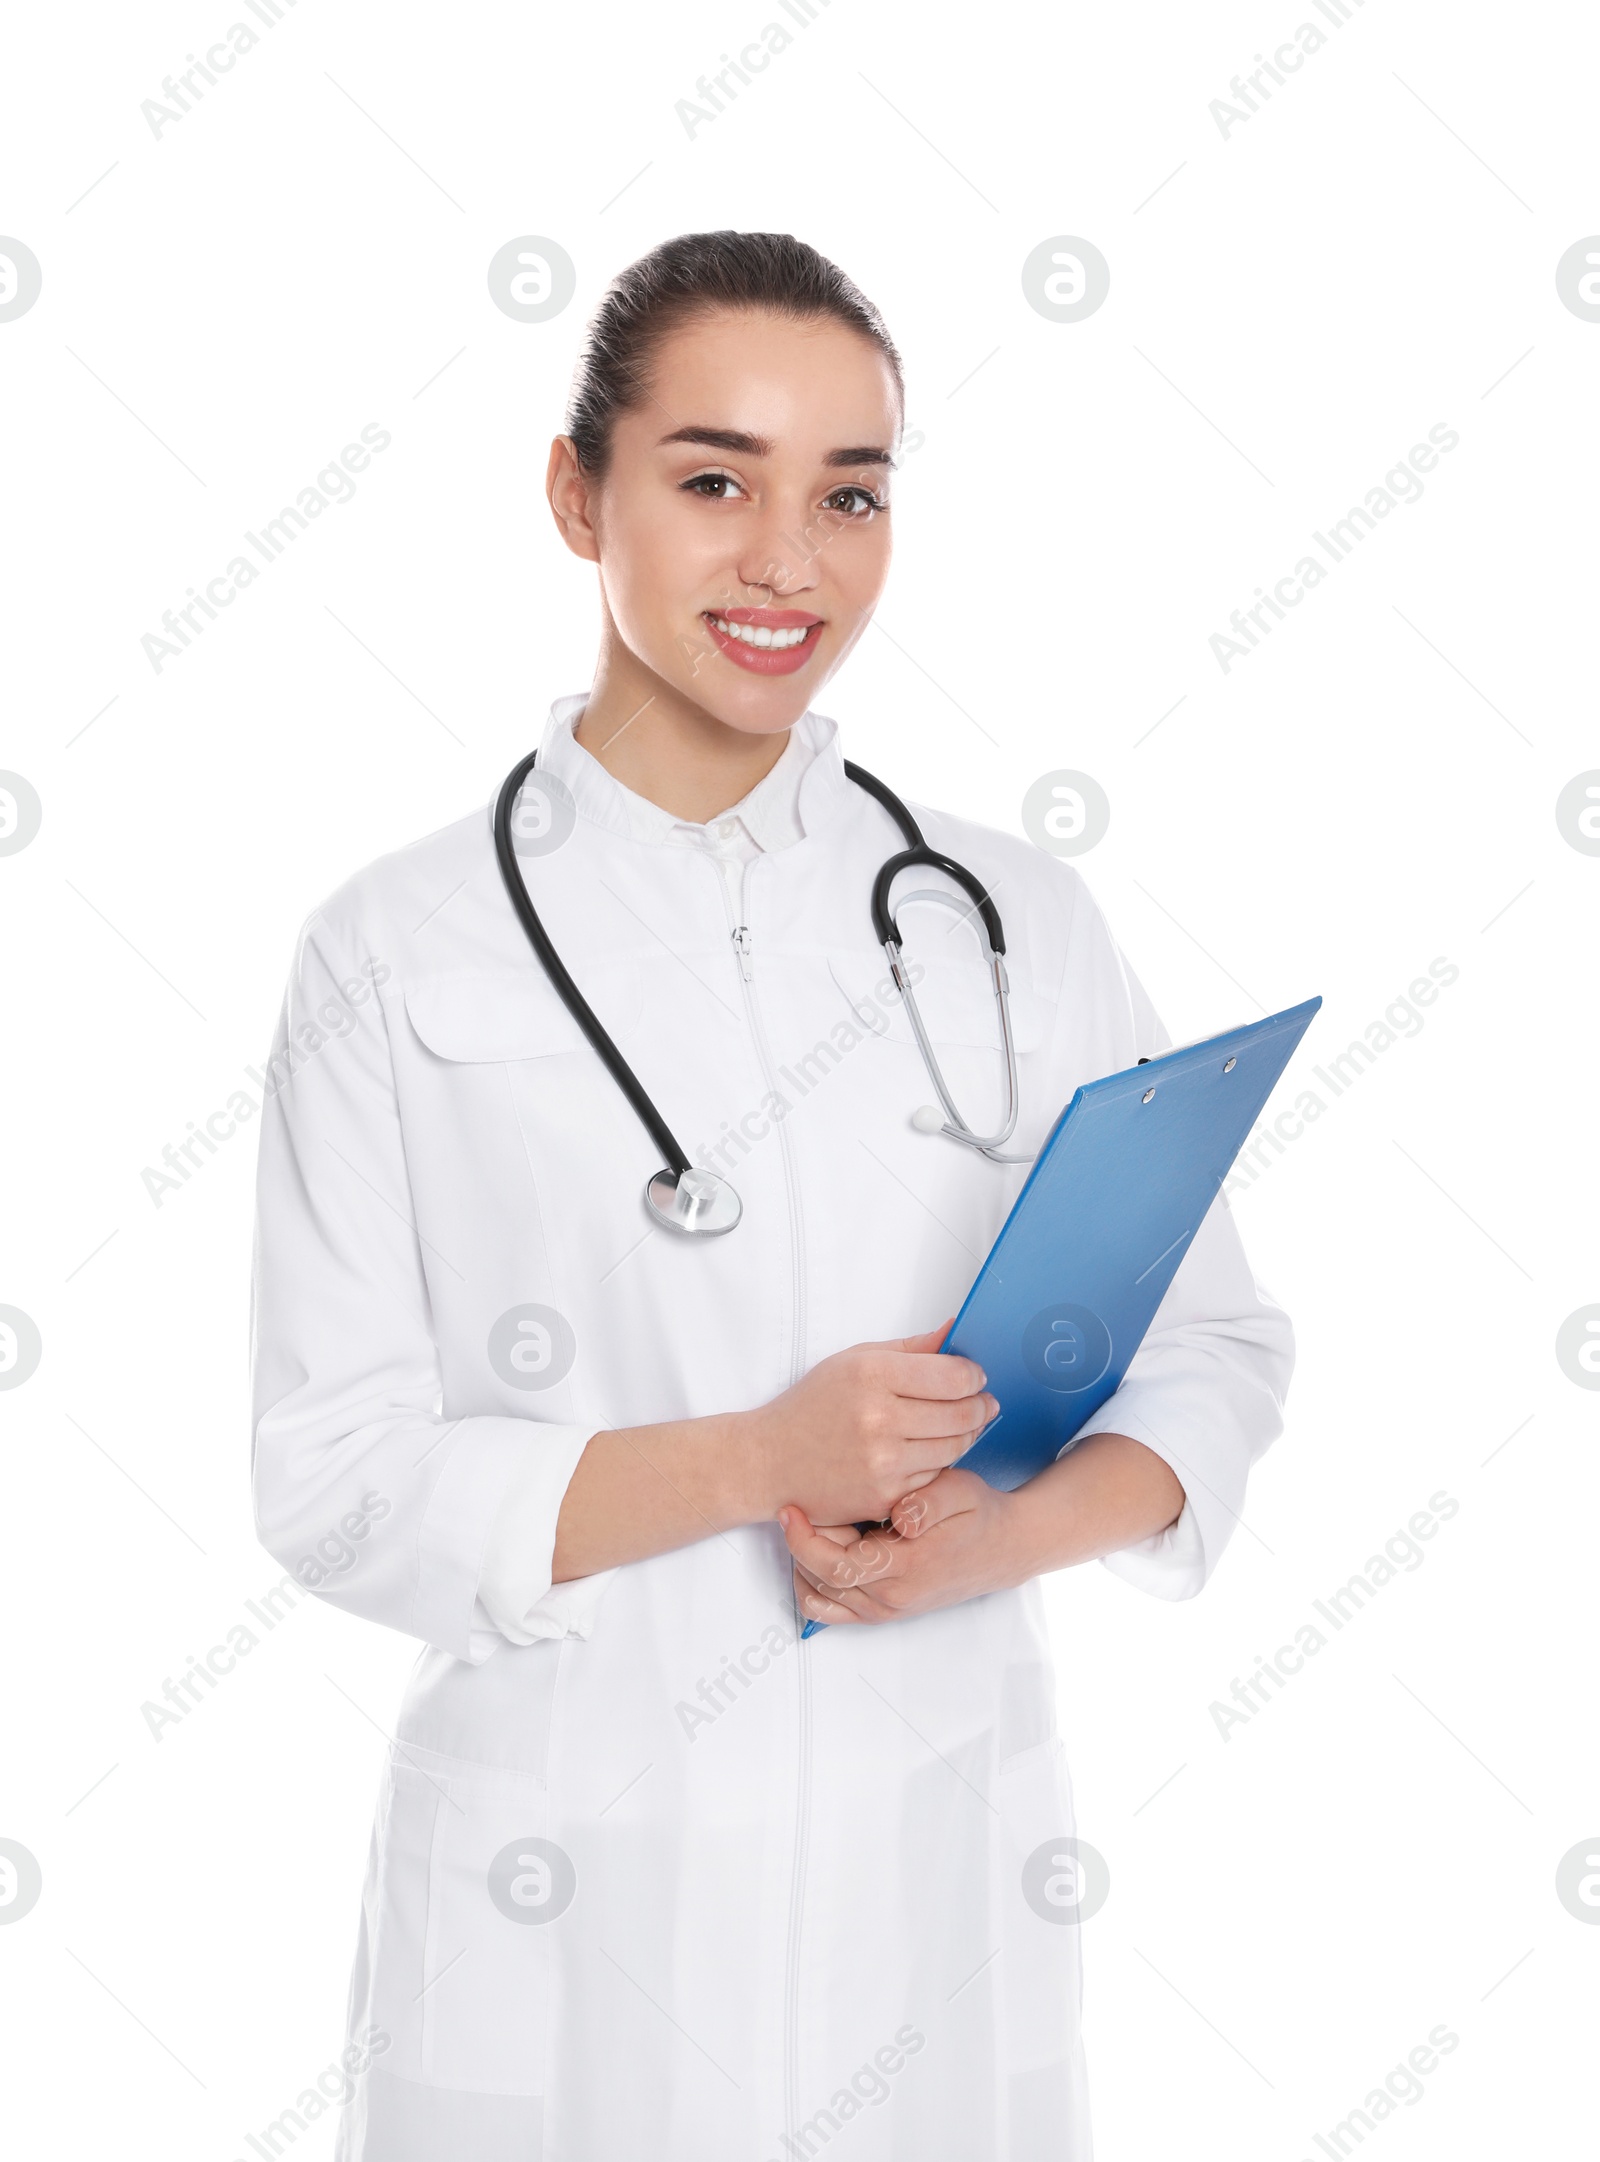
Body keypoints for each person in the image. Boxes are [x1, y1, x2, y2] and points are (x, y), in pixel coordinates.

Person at [251, 229, 1294, 2160]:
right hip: (558, 1896)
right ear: (578, 493)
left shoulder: (1008, 924)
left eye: (852, 495)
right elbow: (334, 1480)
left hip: (934, 1887)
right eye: (715, 479)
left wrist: (1001, 1538)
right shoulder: (395, 950)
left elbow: (1215, 1349)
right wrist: (758, 1457)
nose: (787, 563)